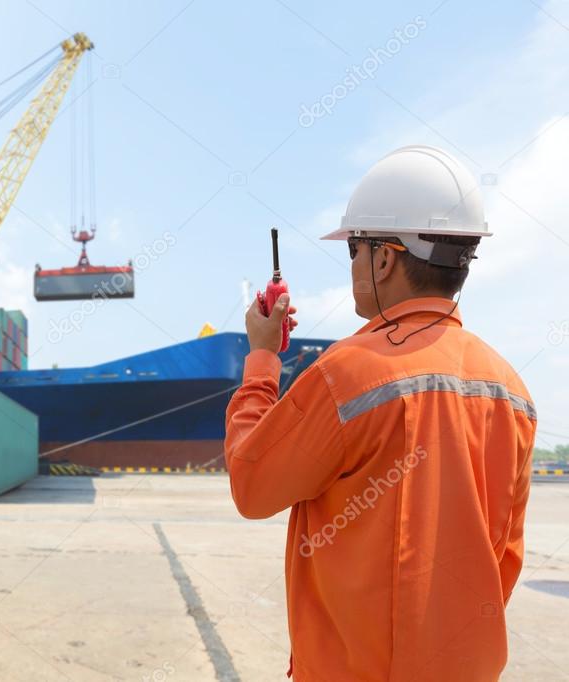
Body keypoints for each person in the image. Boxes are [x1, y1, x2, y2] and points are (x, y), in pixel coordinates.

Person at [224, 145, 536, 681]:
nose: (353, 265)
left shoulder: (348, 373)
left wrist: (262, 359)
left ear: (385, 257)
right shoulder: (512, 390)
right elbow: (503, 555)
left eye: (354, 250)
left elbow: (252, 486)